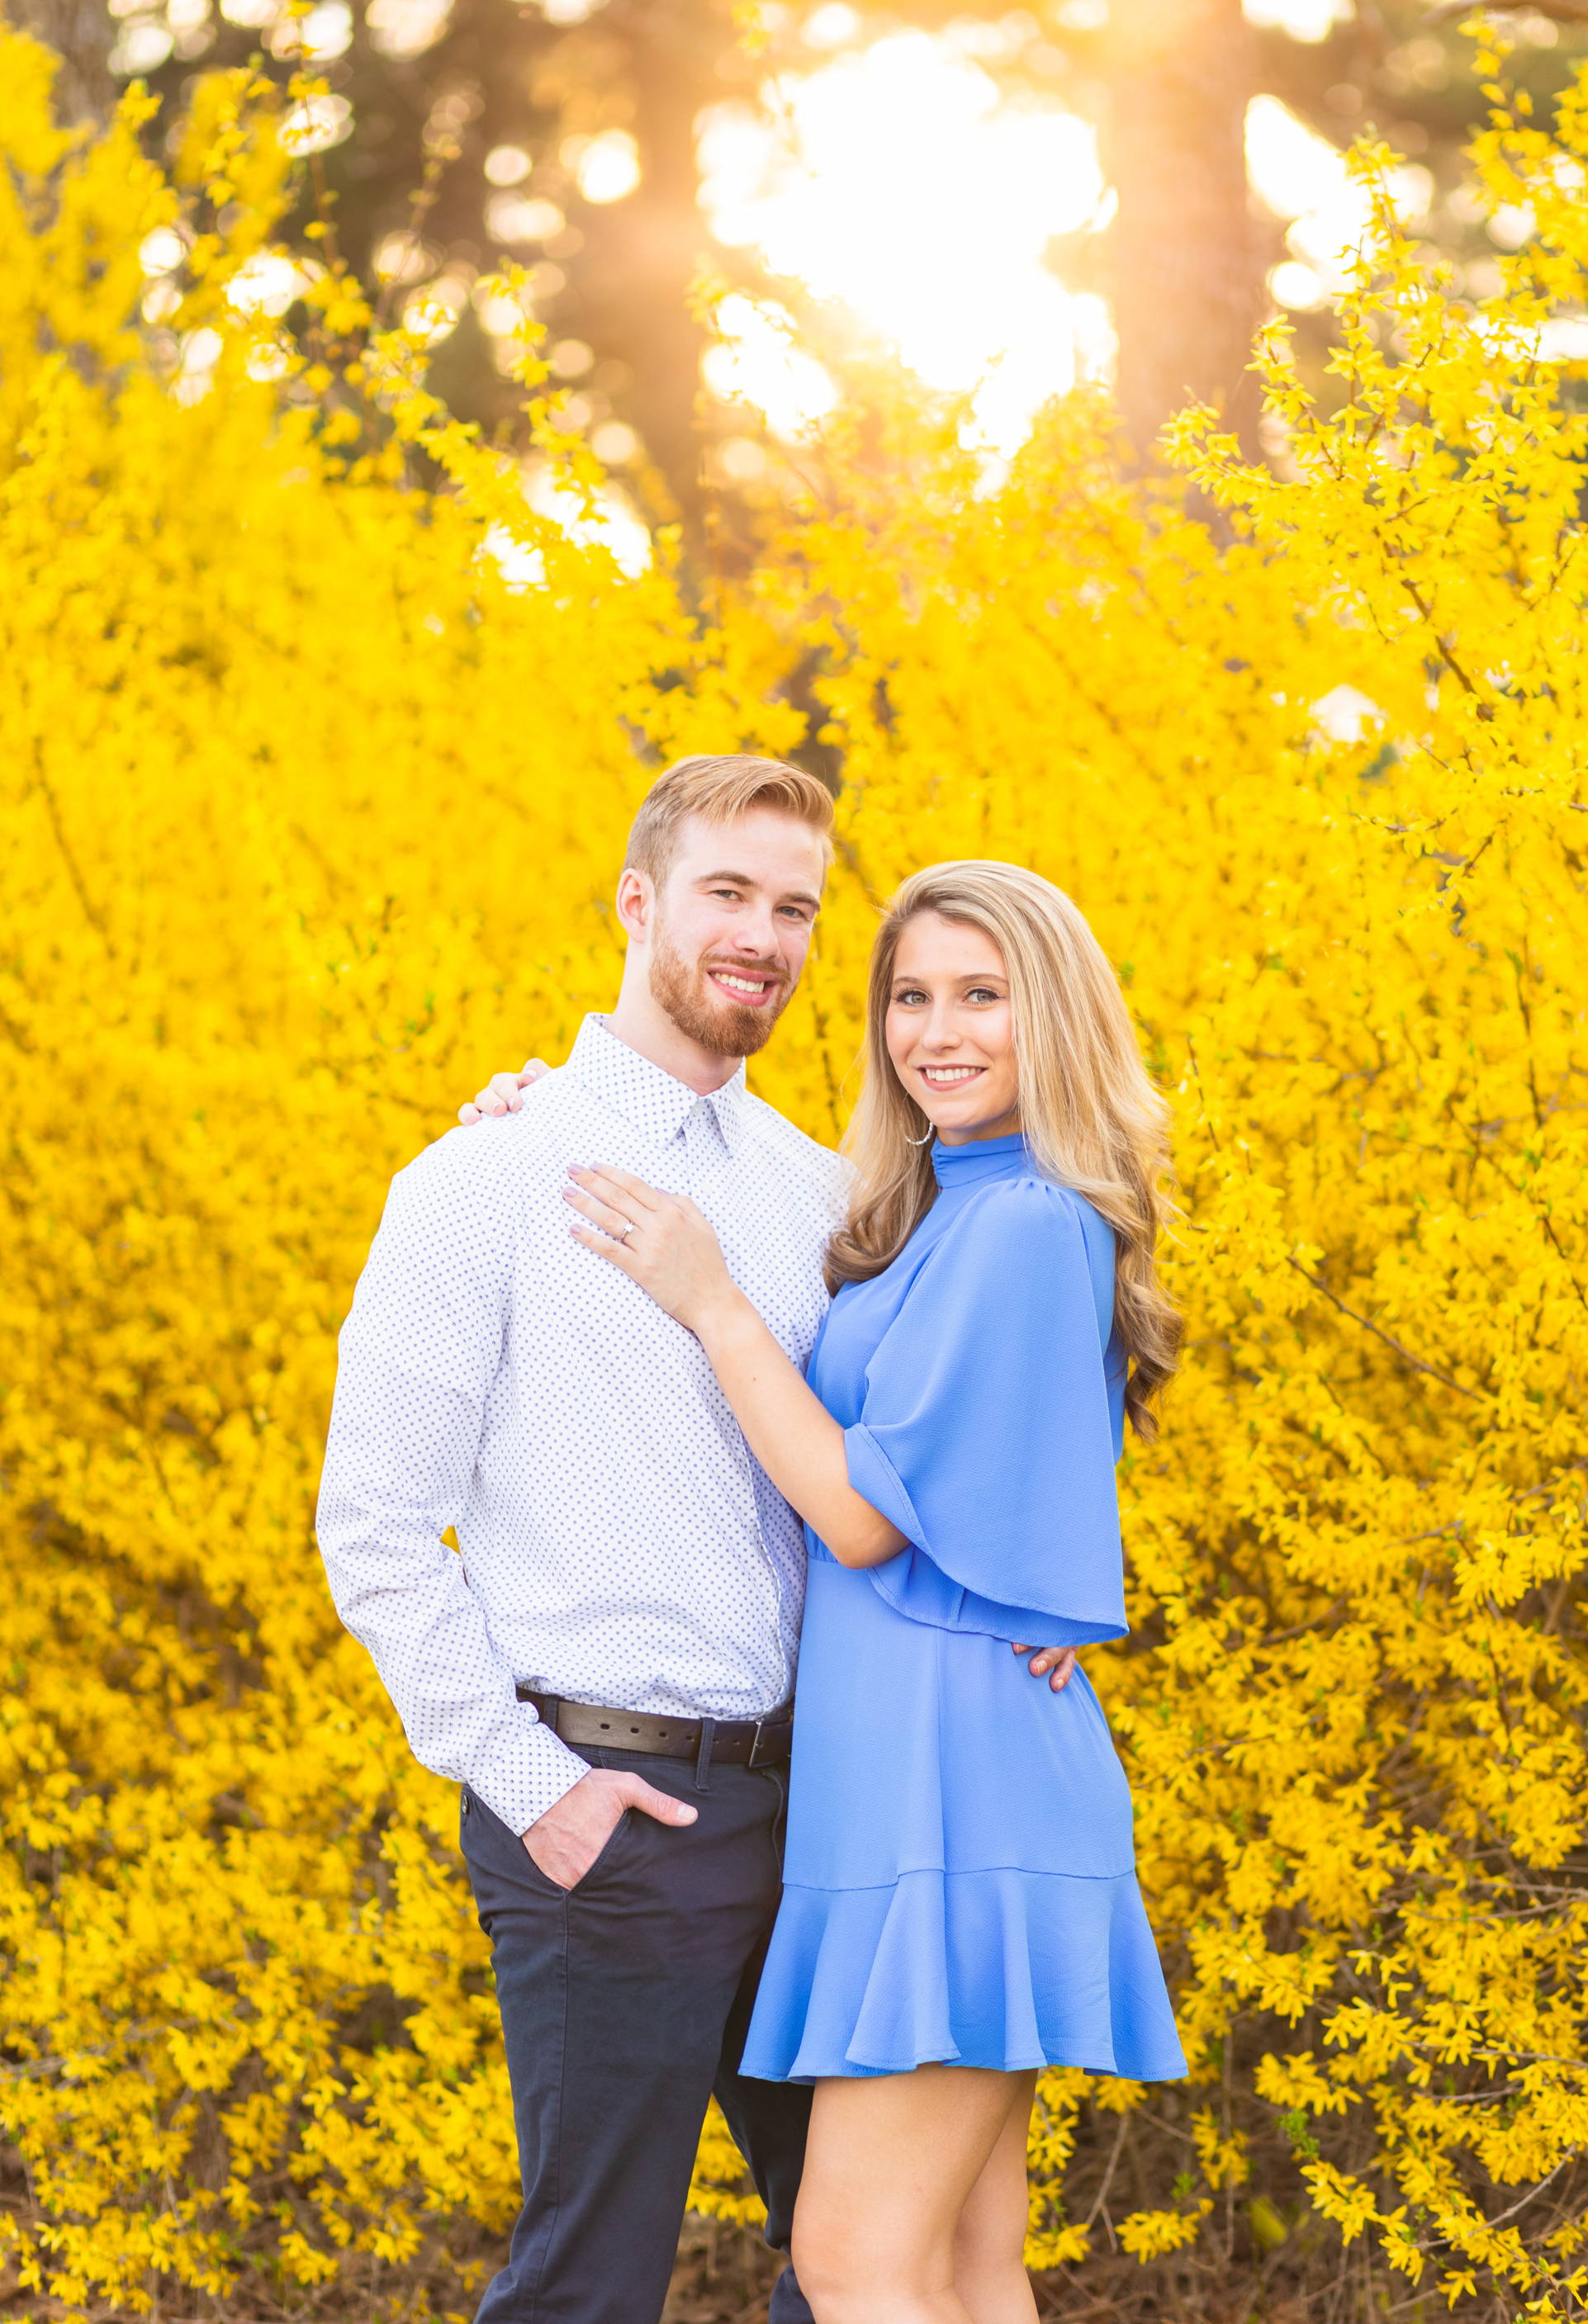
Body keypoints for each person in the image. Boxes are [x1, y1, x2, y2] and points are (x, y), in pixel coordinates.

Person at [315, 756, 1079, 2324]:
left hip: (830, 1813)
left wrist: (1025, 1590)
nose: (766, 936)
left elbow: (944, 1413)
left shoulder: (832, 1195)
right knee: (588, 2288)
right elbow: (378, 1530)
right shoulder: (483, 1179)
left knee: (871, 2261)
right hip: (609, 1807)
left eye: (796, 908)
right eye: (729, 892)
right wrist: (539, 1791)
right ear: (638, 901)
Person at [483, 858, 1188, 2323]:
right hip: (920, 1781)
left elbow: (865, 1519)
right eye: (910, 998)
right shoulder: (933, 1211)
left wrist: (711, 1299)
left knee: (861, 2264)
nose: (939, 1031)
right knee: (961, 2266)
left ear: (1052, 1013)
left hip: (953, 1795)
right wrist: (533, 1124)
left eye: (982, 996)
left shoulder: (1026, 1223)